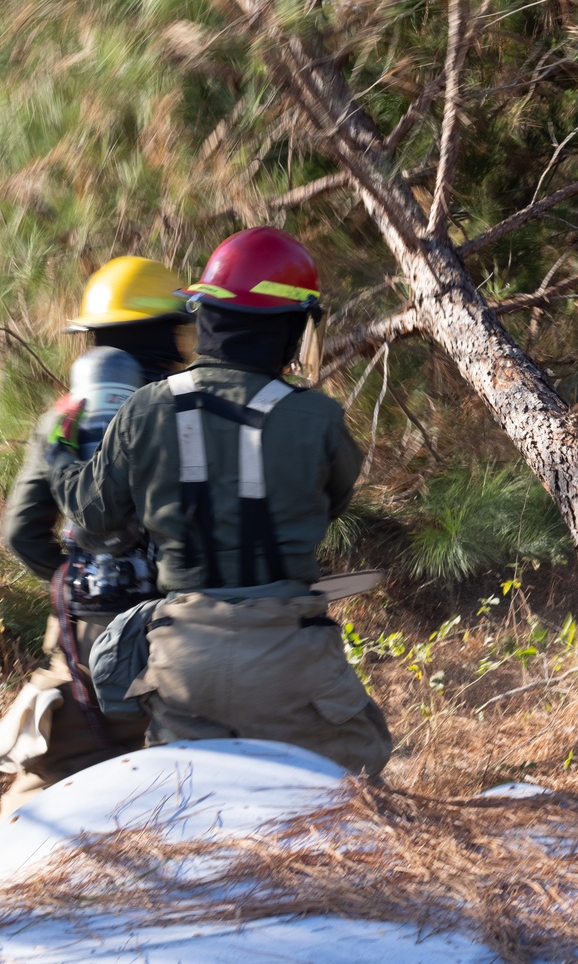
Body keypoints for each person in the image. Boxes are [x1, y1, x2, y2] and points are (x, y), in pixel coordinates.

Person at [47, 226, 391, 777]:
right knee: (347, 796)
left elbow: (91, 516)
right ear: (290, 327)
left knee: (194, 816)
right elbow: (331, 502)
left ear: (206, 315)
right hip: (290, 653)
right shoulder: (318, 416)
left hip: (183, 659)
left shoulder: (144, 409)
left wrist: (60, 451)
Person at [0, 257, 193, 816]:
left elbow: (20, 533)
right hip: (190, 633)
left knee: (52, 781)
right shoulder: (197, 411)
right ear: (164, 333)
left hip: (87, 643)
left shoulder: (63, 421)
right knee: (193, 784)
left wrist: (77, 585)